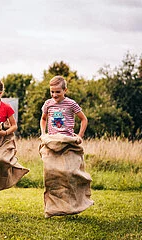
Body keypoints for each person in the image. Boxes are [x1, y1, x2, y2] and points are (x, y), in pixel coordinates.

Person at [39, 75, 94, 218]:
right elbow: (43, 119)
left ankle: (75, 203)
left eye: (57, 91)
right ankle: (52, 208)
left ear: (65, 90)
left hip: (68, 141)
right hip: (52, 141)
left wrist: (80, 136)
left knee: (69, 173)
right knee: (52, 175)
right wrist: (43, 133)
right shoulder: (48, 104)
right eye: (52, 92)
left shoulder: (71, 104)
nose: (54, 95)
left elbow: (84, 119)